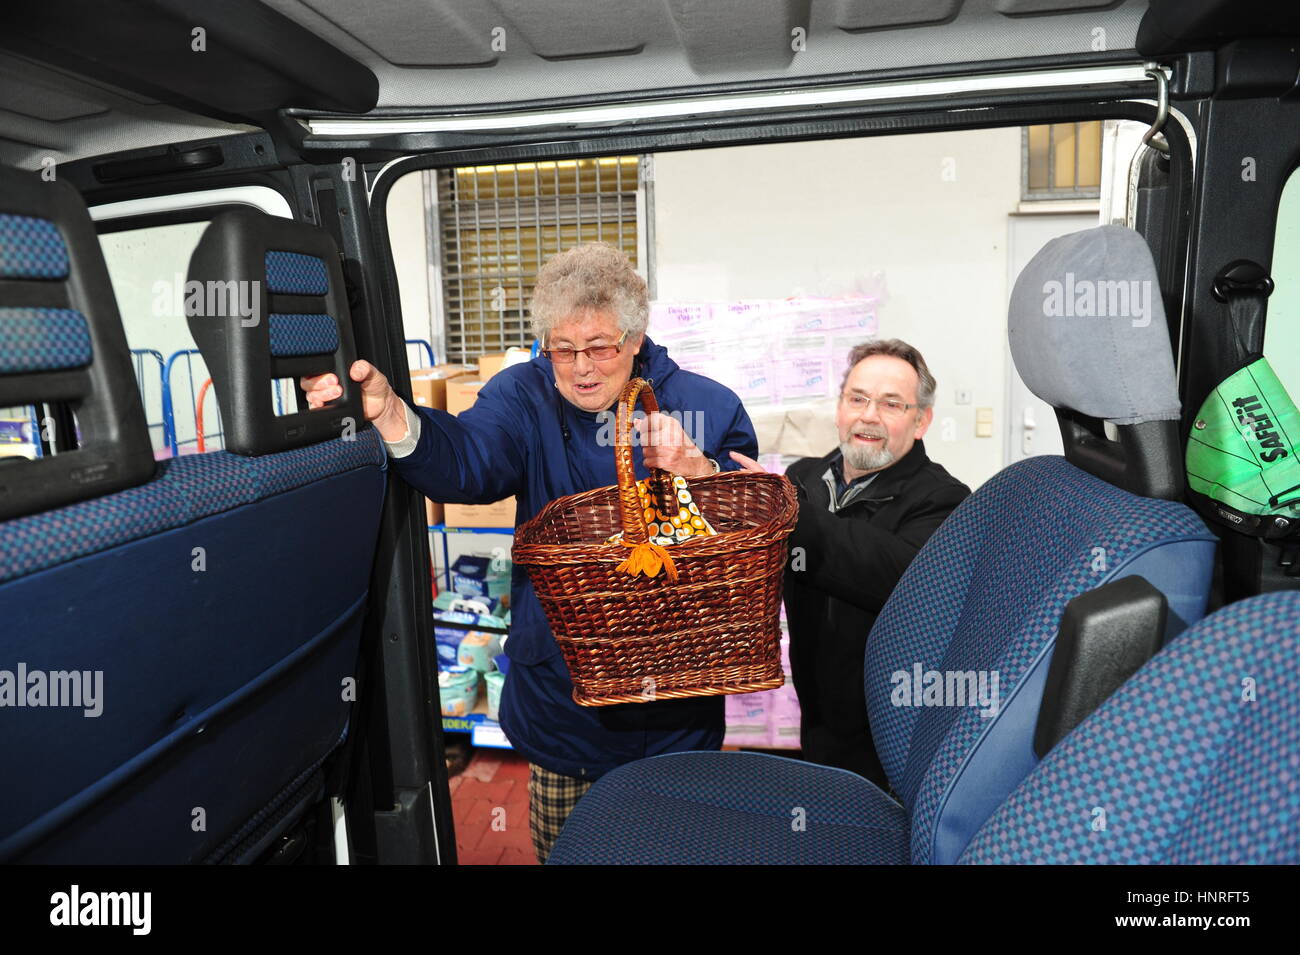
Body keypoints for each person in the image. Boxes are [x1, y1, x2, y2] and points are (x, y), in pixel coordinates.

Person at [302, 243, 758, 862]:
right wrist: (393, 419)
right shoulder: (523, 396)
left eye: (599, 346)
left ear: (636, 336)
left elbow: (748, 543)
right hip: (561, 705)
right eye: (561, 349)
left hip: (674, 710)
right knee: (564, 853)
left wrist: (696, 471)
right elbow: (468, 462)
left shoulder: (707, 405)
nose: (581, 368)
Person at [732, 339, 970, 788]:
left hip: (894, 729)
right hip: (816, 711)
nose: (868, 415)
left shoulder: (946, 500)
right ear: (840, 409)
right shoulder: (802, 478)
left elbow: (890, 572)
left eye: (891, 404)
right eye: (857, 398)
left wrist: (790, 513)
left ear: (921, 421)